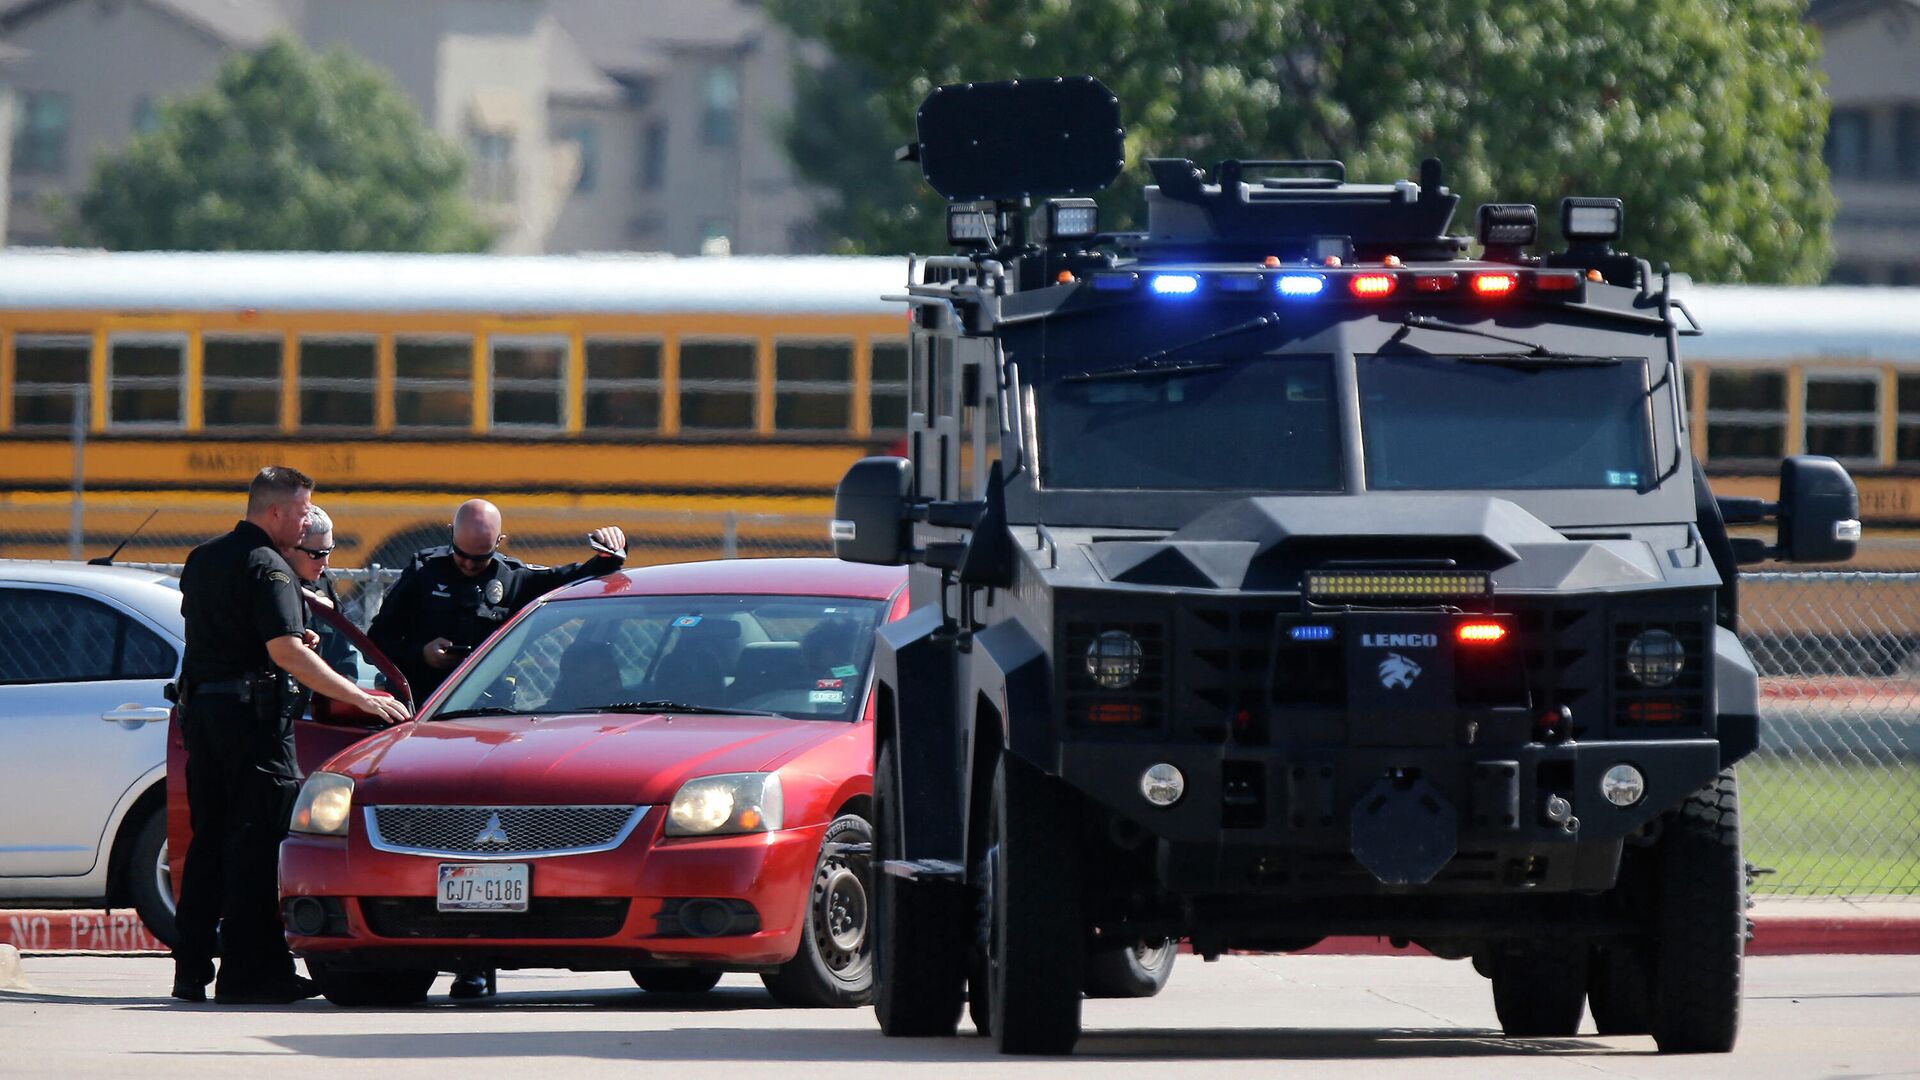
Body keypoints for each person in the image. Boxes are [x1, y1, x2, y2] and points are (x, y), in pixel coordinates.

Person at [366, 498, 626, 998]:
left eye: (480, 559)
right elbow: (378, 638)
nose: (469, 567)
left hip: (491, 725)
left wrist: (612, 552)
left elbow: (574, 578)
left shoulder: (511, 577)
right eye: (462, 556)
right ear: (450, 539)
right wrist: (420, 653)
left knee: (485, 846)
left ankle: (474, 966)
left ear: (498, 547)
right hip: (425, 718)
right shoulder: (422, 572)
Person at [172, 468, 410, 1006]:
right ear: (275, 512)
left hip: (204, 721)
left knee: (209, 844)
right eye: (303, 512)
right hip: (254, 728)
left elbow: (227, 636)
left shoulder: (203, 559)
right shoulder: (269, 566)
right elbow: (285, 652)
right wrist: (363, 698)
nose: (307, 524)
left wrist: (281, 642)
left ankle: (190, 969)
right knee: (254, 850)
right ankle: (250, 974)